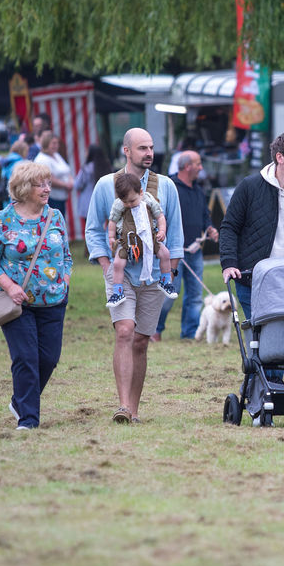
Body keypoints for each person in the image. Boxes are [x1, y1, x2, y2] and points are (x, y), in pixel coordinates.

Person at [85, 128, 184, 424]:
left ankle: (135, 410)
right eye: (142, 148)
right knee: (125, 331)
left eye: (151, 147)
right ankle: (123, 407)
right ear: (126, 151)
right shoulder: (107, 185)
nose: (149, 153)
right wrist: (106, 264)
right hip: (121, 274)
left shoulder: (165, 186)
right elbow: (94, 229)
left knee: (141, 340)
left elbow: (176, 231)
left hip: (156, 274)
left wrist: (172, 270)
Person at [0, 161, 72, 430]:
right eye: (39, 184)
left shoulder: (55, 216)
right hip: (16, 303)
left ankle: (20, 401)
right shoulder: (4, 219)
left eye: (48, 183)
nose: (47, 189)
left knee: (49, 359)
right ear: (23, 188)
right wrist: (10, 287)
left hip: (54, 301)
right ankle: (28, 420)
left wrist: (65, 280)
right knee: (26, 358)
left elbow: (66, 255)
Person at [220, 132, 284, 319]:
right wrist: (228, 263)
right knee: (258, 337)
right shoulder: (249, 187)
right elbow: (230, 227)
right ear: (280, 157)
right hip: (251, 278)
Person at [156, 150, 219, 341]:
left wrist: (209, 228)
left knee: (195, 296)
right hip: (174, 252)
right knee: (169, 293)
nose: (201, 168)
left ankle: (190, 333)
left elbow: (205, 215)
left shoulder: (198, 190)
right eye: (198, 164)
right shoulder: (170, 187)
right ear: (187, 166)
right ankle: (155, 330)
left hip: (194, 250)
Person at [106, 172, 176, 307]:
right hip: (128, 241)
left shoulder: (149, 200)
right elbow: (112, 221)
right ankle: (117, 291)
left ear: (141, 192)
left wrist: (162, 231)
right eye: (125, 201)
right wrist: (111, 237)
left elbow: (160, 216)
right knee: (117, 264)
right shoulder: (119, 204)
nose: (129, 204)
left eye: (132, 201)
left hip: (150, 239)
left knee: (165, 254)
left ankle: (165, 281)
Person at [33, 131, 74, 222]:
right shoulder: (42, 159)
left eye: (57, 143)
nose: (56, 145)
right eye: (53, 143)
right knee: (53, 221)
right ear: (46, 144)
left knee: (60, 220)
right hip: (51, 197)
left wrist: (71, 181)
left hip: (61, 196)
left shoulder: (56, 155)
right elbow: (48, 178)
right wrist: (65, 185)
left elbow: (67, 170)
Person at [73, 144, 109, 235]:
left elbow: (77, 185)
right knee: (105, 229)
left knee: (90, 231)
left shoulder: (86, 168)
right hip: (103, 201)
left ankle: (90, 248)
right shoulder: (107, 166)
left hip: (87, 202)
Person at [0, 139, 29, 208]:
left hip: (6, 193)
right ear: (23, 151)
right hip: (16, 196)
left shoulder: (7, 160)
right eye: (27, 151)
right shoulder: (20, 163)